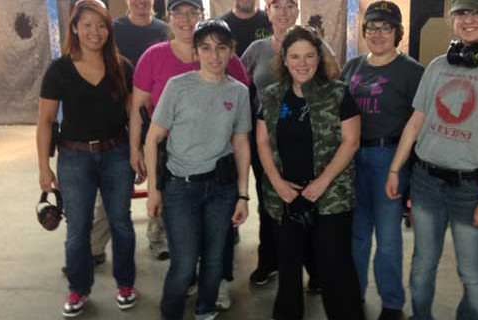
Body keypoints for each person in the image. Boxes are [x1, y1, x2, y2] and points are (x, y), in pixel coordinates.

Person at [386, 0, 478, 319]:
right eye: (461, 12)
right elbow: (416, 122)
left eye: (477, 13)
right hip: (425, 183)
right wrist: (395, 169)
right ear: (452, 19)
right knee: (421, 267)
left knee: (472, 274)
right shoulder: (436, 67)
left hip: (470, 188)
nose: (468, 19)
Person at [128, 0, 250, 308]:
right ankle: (171, 311)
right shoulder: (176, 86)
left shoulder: (238, 91)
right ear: (196, 53)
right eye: (206, 48)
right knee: (183, 265)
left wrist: (243, 195)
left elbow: (240, 142)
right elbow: (153, 138)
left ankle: (207, 307)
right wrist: (154, 190)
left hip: (221, 188)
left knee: (213, 258)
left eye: (222, 48)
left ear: (231, 50)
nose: (214, 55)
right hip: (181, 186)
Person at [257, 25, 364, 320]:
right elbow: (262, 141)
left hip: (330, 198)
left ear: (319, 57)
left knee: (335, 270)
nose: (302, 63)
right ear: (284, 59)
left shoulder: (338, 93)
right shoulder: (271, 95)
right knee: (288, 270)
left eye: (309, 56)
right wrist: (278, 183)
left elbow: (351, 141)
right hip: (285, 198)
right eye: (295, 56)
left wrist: (322, 182)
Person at [37, 0, 137, 317]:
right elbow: (46, 122)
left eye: (101, 25)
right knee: (78, 229)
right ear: (76, 28)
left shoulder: (122, 67)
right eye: (88, 25)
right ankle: (78, 289)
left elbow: (134, 116)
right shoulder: (59, 70)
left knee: (121, 223)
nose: (95, 32)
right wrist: (44, 167)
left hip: (117, 155)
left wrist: (136, 153)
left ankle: (126, 283)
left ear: (109, 29)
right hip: (74, 158)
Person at [242, 0, 339, 289]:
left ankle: (315, 268)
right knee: (270, 206)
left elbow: (334, 78)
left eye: (289, 6)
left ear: (297, 11)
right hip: (265, 144)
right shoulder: (256, 50)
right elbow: (236, 81)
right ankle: (269, 261)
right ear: (267, 12)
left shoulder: (315, 44)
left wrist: (318, 46)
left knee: (309, 204)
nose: (283, 12)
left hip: (308, 140)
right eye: (276, 6)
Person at [341, 2, 424, 319]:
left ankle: (392, 304)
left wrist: (409, 177)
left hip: (389, 159)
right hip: (353, 158)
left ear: (398, 33)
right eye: (371, 27)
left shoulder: (413, 72)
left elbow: (419, 129)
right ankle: (354, 295)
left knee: (388, 238)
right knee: (357, 235)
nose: (377, 34)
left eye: (385, 28)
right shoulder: (353, 68)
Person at [86, 0, 171, 270]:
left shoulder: (165, 30)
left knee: (161, 184)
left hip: (156, 119)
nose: (141, 2)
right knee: (112, 188)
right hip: (118, 122)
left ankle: (159, 240)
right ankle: (96, 245)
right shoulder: (114, 29)